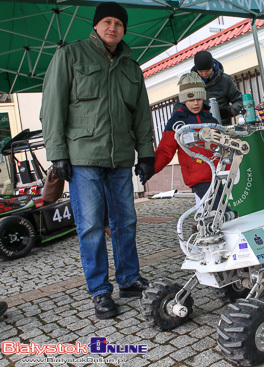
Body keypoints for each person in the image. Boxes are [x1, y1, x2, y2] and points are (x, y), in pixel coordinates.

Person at [40, 2, 155, 320]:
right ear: (95, 25)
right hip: (83, 158)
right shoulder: (71, 55)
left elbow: (142, 117)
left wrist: (146, 154)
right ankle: (101, 291)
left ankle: (130, 280)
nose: (113, 27)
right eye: (107, 21)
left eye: (119, 23)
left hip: (120, 159)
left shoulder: (132, 68)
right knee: (90, 226)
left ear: (124, 29)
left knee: (126, 222)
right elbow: (52, 107)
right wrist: (57, 154)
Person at [154, 72, 221, 202]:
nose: (195, 103)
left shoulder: (210, 119)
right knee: (216, 209)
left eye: (199, 99)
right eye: (191, 99)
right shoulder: (177, 122)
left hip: (218, 175)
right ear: (183, 99)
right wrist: (150, 168)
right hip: (198, 178)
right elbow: (165, 151)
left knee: (221, 212)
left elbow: (222, 146)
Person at [172, 51, 242, 126]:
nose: (204, 74)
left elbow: (240, 101)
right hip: (197, 129)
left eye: (207, 71)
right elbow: (177, 108)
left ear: (212, 66)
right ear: (196, 69)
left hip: (222, 127)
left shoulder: (225, 80)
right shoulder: (189, 84)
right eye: (200, 71)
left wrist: (229, 111)